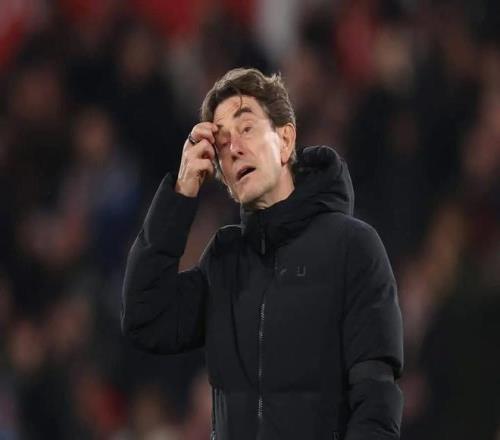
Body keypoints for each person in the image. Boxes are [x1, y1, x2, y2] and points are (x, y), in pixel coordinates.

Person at [121, 68, 404, 440]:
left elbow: (376, 402)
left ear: (285, 140)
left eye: (246, 128)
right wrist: (180, 193)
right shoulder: (223, 261)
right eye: (222, 142)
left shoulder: (352, 246)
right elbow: (144, 316)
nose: (234, 147)